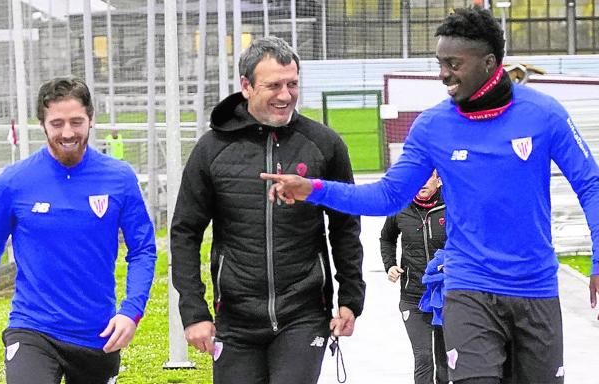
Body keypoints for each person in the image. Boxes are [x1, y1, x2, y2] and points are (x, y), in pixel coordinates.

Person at [261, 7, 599, 384]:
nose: (443, 74)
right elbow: (389, 196)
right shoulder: (433, 126)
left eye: (454, 64)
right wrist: (315, 189)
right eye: (440, 63)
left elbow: (591, 185)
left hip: (535, 289)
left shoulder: (543, 114)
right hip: (468, 287)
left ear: (489, 63)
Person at [170, 36, 365, 384]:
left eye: (292, 84)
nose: (285, 95)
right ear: (246, 86)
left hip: (303, 313)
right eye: (273, 85)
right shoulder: (211, 150)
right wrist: (194, 311)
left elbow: (345, 226)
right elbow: (185, 232)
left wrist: (351, 297)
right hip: (235, 318)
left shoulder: (324, 145)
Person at [0, 77, 157, 384]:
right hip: (32, 327)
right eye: (57, 123)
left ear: (90, 120)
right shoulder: (13, 182)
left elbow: (143, 250)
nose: (68, 132)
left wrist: (131, 311)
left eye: (77, 121)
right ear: (42, 124)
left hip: (98, 335)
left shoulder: (119, 178)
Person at [380, 170, 448, 384]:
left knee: (445, 361)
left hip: (446, 295)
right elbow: (386, 238)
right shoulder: (401, 205)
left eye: (428, 176)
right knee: (424, 357)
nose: (421, 182)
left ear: (438, 180)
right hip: (413, 297)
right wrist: (390, 265)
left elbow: (469, 238)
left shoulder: (453, 204)